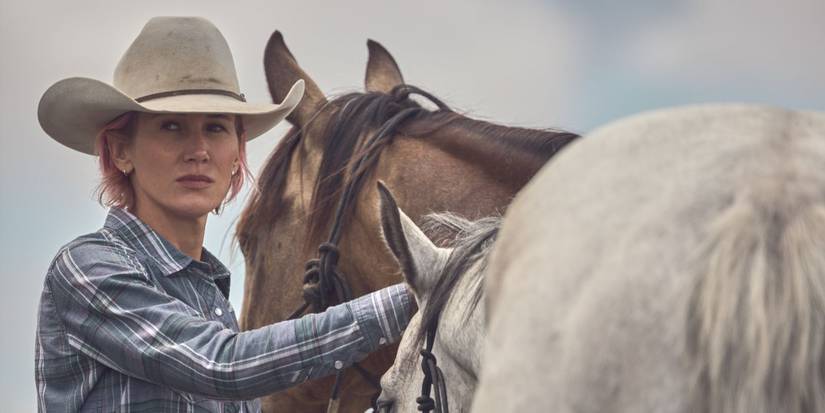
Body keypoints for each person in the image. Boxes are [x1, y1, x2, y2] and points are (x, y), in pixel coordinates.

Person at [35, 16, 413, 412]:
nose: (198, 150)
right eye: (171, 127)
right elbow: (221, 365)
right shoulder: (87, 269)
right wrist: (411, 298)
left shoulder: (213, 303)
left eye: (215, 128)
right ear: (119, 151)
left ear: (236, 154)